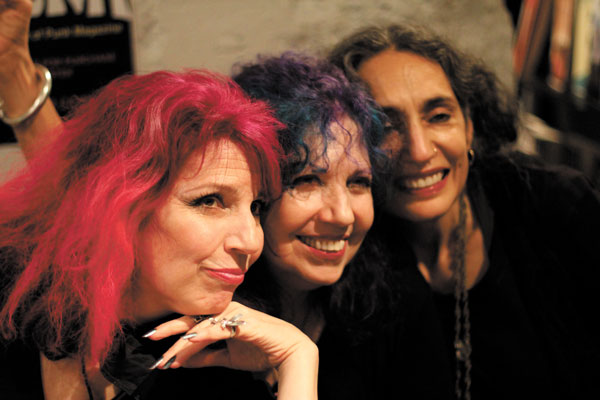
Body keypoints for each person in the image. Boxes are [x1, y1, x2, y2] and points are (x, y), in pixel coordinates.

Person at [0, 63, 320, 400]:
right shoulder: (16, 307)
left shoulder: (213, 367)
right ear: (117, 205)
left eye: (256, 207)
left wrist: (297, 357)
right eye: (209, 201)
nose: (251, 241)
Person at [328, 24, 600, 399]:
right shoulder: (342, 257)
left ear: (469, 125)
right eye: (386, 125)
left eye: (439, 115)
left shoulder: (555, 206)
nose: (420, 150)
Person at [135, 52, 391, 400]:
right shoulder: (182, 332)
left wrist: (296, 358)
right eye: (306, 180)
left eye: (359, 182)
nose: (343, 215)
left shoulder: (388, 301)